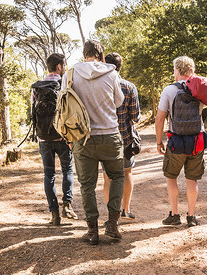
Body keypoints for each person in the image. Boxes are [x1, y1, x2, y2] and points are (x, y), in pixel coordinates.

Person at [62, 40, 125, 245]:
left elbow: (63, 106)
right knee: (117, 177)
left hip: (83, 137)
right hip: (110, 135)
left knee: (87, 185)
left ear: (84, 53)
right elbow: (118, 101)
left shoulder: (70, 74)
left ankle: (92, 230)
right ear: (100, 54)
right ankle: (113, 224)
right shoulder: (112, 73)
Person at [155, 55, 205, 227]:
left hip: (176, 141)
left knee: (171, 177)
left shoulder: (169, 90)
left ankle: (174, 215)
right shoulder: (199, 89)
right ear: (192, 71)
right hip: (197, 140)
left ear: (177, 70)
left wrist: (158, 142)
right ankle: (191, 217)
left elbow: (160, 118)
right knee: (192, 179)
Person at [32, 53, 78, 226]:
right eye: (64, 65)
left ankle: (54, 214)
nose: (64, 68)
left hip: (43, 138)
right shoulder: (64, 84)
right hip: (62, 137)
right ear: (59, 67)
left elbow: (33, 113)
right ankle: (67, 204)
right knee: (67, 169)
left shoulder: (37, 87)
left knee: (48, 174)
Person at [102, 53, 140, 220]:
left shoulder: (101, 86)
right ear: (120, 66)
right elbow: (135, 117)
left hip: (106, 138)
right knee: (127, 173)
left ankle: (112, 213)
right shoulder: (129, 87)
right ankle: (126, 209)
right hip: (125, 139)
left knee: (107, 177)